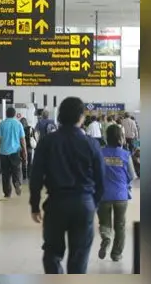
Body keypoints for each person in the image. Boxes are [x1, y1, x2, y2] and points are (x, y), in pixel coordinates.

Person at [29, 97, 105, 274]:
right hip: (84, 204)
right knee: (79, 256)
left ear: (60, 116)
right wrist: (93, 204)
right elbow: (101, 181)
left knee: (52, 253)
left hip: (56, 204)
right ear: (81, 117)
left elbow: (36, 176)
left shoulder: (47, 142)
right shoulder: (92, 144)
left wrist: (34, 205)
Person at [97, 124, 137, 261]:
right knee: (120, 225)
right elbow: (132, 175)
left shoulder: (100, 153)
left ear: (106, 137)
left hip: (103, 195)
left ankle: (106, 237)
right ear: (120, 137)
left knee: (104, 222)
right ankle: (116, 254)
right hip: (121, 195)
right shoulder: (126, 154)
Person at [0, 107, 27, 198]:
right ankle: (17, 183)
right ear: (15, 114)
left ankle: (7, 192)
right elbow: (22, 139)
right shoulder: (18, 124)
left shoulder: (2, 124)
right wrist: (25, 152)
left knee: (5, 173)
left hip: (4, 152)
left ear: (6, 113)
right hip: (15, 152)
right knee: (16, 170)